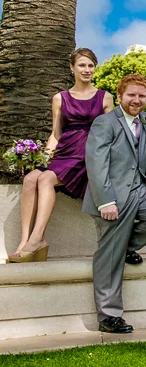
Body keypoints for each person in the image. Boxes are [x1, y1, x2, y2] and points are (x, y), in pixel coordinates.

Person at [83, 74, 146, 334]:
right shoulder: (105, 123)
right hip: (113, 195)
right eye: (131, 95)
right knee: (109, 259)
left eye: (142, 96)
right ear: (120, 96)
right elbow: (96, 163)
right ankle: (108, 316)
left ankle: (125, 247)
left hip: (141, 187)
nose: (137, 100)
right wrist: (105, 201)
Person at [9, 48, 114, 263]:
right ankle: (23, 242)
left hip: (88, 155)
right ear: (72, 68)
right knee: (31, 179)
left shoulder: (106, 97)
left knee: (46, 179)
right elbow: (56, 134)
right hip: (65, 152)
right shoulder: (60, 98)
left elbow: (113, 134)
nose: (87, 70)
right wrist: (43, 160)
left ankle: (38, 239)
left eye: (91, 65)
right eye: (82, 65)